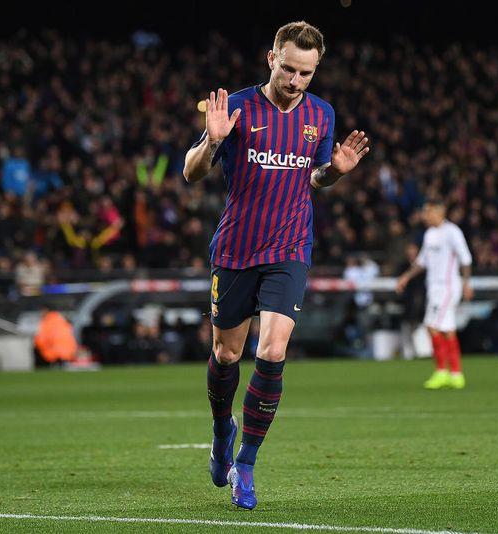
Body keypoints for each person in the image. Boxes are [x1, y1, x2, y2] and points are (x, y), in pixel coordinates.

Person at [182, 21, 369, 510]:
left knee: (273, 348)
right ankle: (222, 431)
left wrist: (334, 172)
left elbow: (315, 178)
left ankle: (246, 463)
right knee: (226, 354)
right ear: (271, 59)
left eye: (306, 73)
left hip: (290, 248)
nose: (295, 80)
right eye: (288, 69)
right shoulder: (237, 107)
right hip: (236, 249)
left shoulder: (321, 114)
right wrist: (211, 141)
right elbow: (190, 172)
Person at [396, 198, 473, 389]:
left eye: (427, 212)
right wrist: (406, 277)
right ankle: (455, 374)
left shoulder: (452, 232)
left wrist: (466, 283)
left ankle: (442, 372)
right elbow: (422, 262)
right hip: (434, 288)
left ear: (439, 212)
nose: (424, 215)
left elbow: (465, 258)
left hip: (447, 287)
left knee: (432, 326)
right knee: (446, 329)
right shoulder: (430, 234)